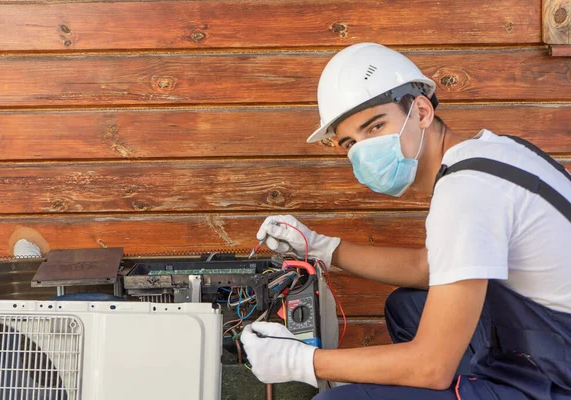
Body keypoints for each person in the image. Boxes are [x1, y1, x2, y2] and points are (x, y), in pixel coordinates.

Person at [240, 43, 571, 399]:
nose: (364, 149)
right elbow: (430, 267)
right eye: (350, 142)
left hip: (557, 373)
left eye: (376, 126)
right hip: (549, 339)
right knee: (407, 307)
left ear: (422, 111)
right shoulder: (492, 151)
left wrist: (302, 362)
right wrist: (320, 246)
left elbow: (430, 366)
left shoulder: (466, 191)